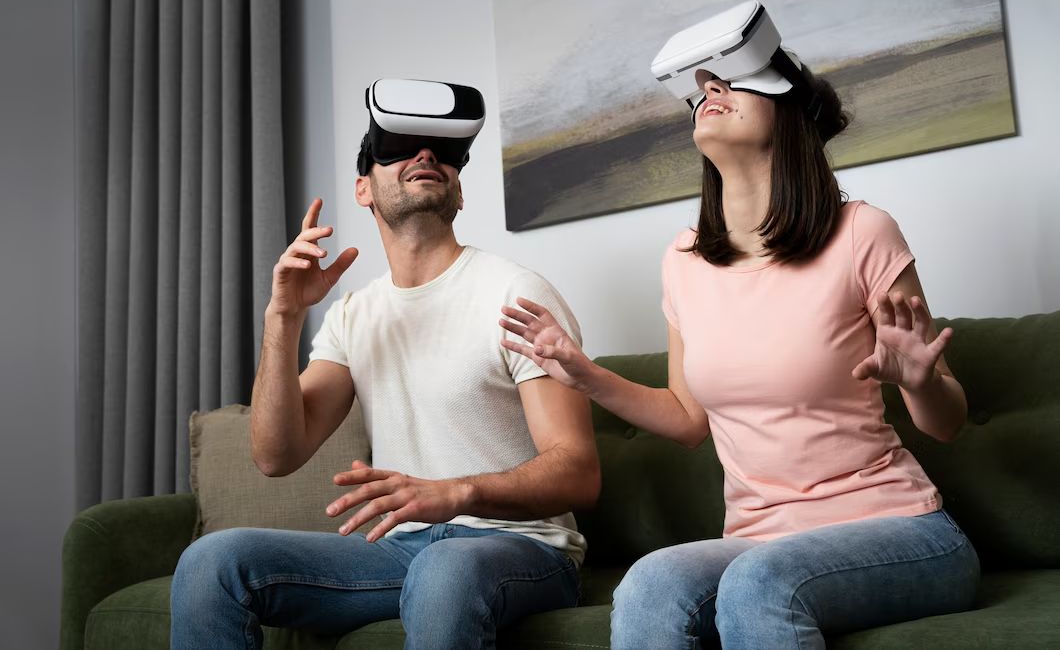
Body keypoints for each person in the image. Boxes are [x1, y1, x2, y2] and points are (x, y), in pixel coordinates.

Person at [500, 50, 980, 647]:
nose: (709, 87)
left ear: (790, 112)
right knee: (649, 584)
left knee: (760, 582)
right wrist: (584, 374)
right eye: (701, 86)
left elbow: (948, 423)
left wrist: (918, 380)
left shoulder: (861, 231)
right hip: (757, 536)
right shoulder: (684, 260)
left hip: (898, 529)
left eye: (734, 80)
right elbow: (685, 420)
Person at [170, 80, 600, 649]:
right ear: (363, 189)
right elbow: (275, 454)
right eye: (397, 146)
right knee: (212, 562)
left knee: (445, 570)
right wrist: (284, 318)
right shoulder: (354, 314)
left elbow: (578, 472)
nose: (426, 156)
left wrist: (457, 492)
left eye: (444, 152)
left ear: (460, 191)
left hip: (521, 547)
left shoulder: (514, 293)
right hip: (401, 549)